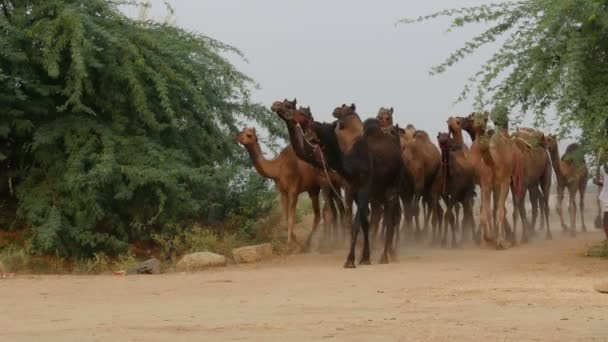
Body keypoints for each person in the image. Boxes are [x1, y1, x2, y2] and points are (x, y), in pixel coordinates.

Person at [594, 163, 608, 241]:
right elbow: (603, 182)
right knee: (606, 217)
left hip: (605, 196)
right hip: (606, 196)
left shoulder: (603, 167)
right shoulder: (602, 168)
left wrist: (597, 181)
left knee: (606, 217)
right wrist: (596, 181)